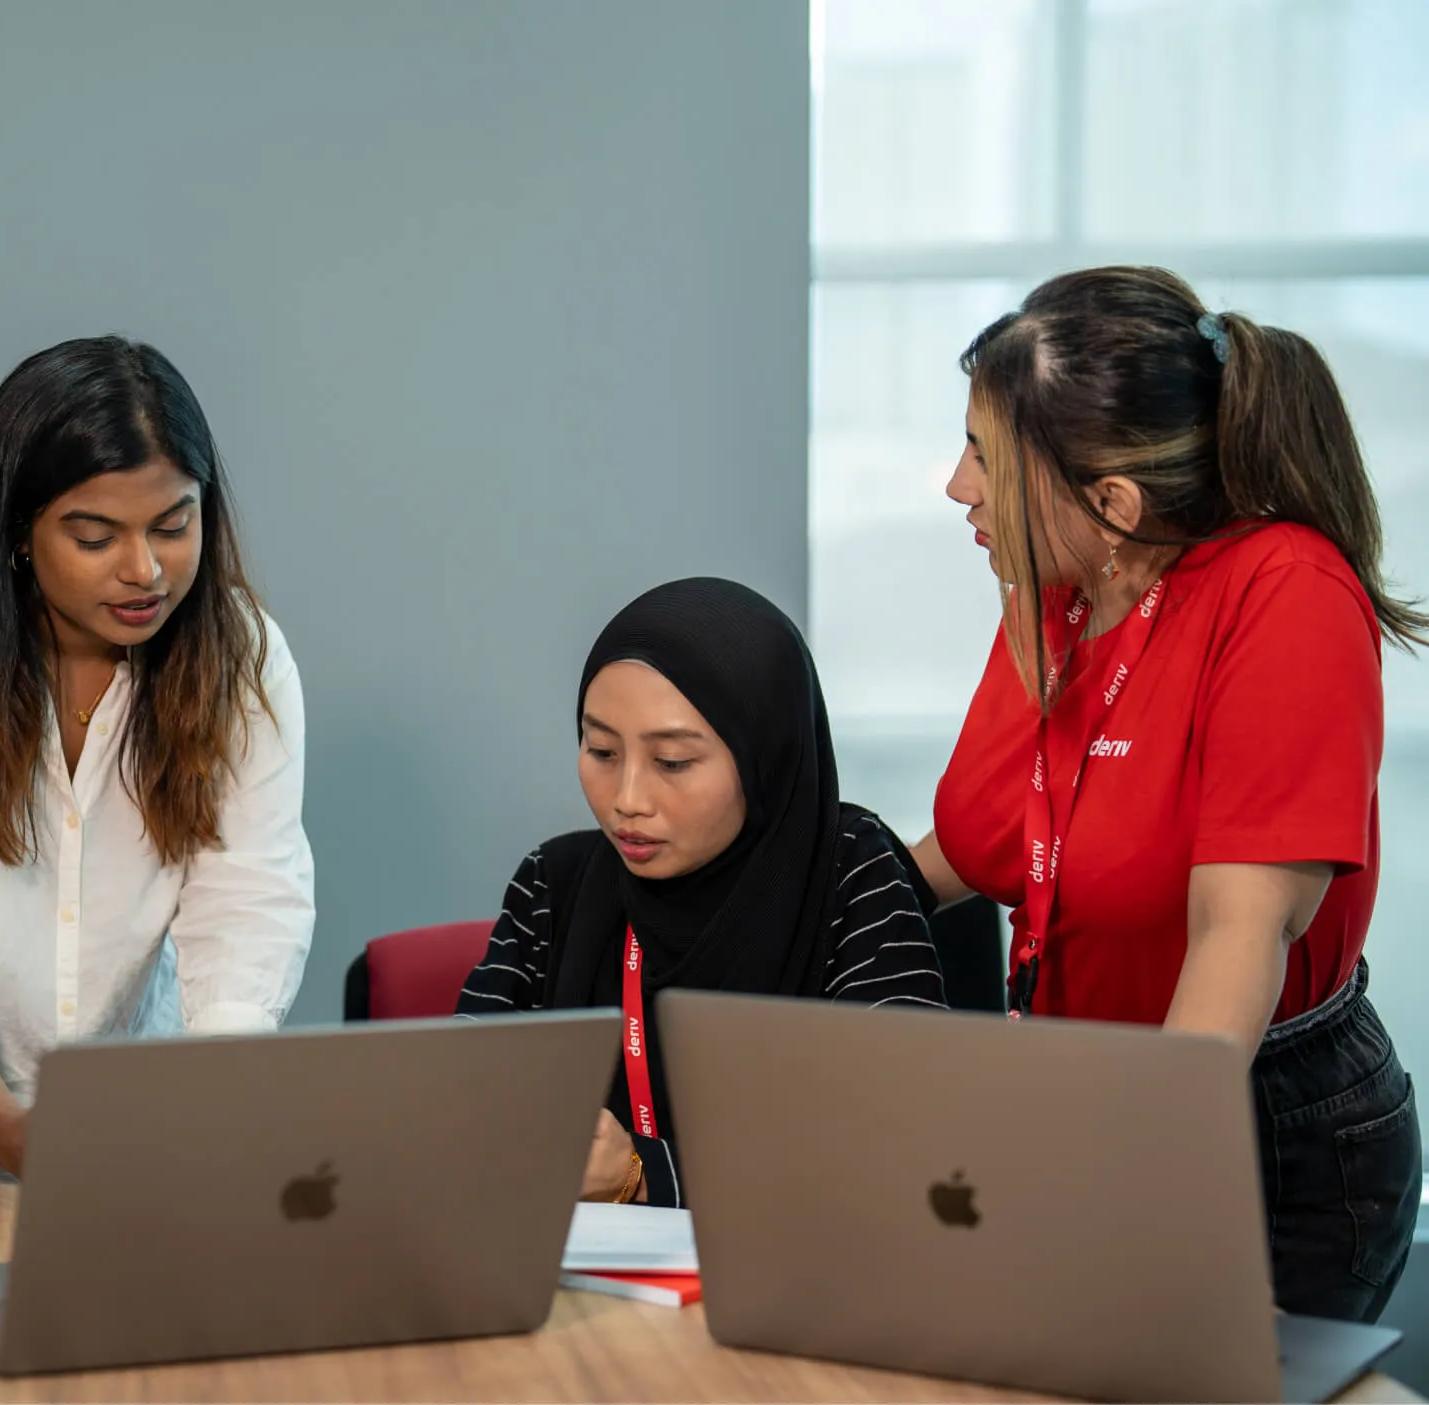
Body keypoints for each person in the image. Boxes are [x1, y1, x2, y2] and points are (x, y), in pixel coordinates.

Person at [912, 266, 1421, 1322]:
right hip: (1086, 1088)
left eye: (983, 456)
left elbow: (1242, 934)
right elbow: (993, 842)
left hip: (1254, 1125)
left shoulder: (1285, 593)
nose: (956, 486)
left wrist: (1126, 1182)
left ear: (1113, 503)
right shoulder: (1068, 586)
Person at [0, 336, 312, 1185]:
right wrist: (7, 1131)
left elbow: (248, 902)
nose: (144, 569)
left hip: (130, 1134)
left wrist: (212, 1099)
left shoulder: (243, 658)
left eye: (173, 524)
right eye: (95, 535)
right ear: (19, 530)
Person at [457, 577, 946, 1207]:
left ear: (763, 757)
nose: (627, 799)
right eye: (600, 749)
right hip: (585, 1295)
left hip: (805, 1289)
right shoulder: (555, 885)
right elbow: (461, 1104)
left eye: (673, 763)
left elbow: (900, 1146)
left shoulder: (850, 873)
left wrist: (645, 1174)